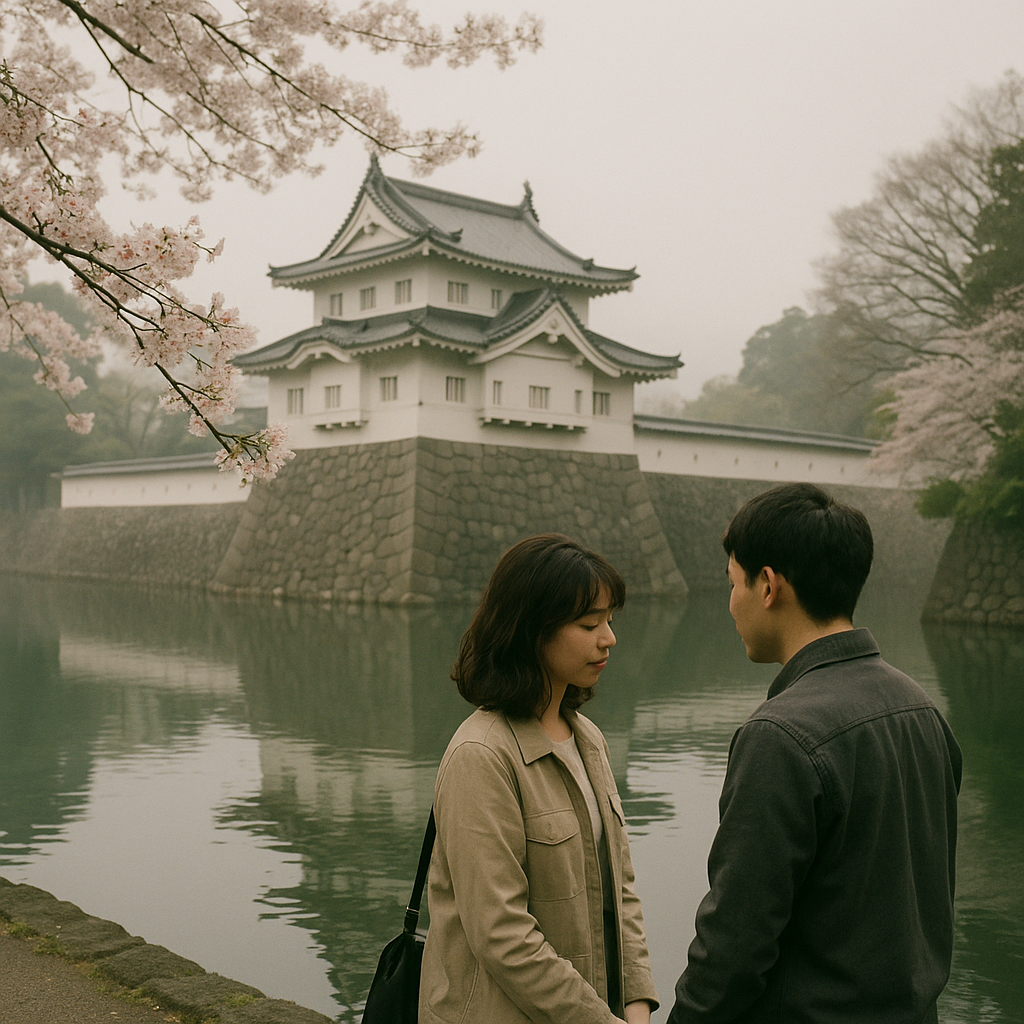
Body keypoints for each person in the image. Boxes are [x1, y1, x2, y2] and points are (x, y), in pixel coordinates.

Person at [668, 483, 962, 1024]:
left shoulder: (780, 735)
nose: (729, 601)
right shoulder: (923, 711)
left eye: (732, 583)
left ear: (768, 586)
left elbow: (734, 946)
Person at [420, 534, 659, 1024]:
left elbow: (622, 893)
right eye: (589, 623)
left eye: (610, 621)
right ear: (532, 630)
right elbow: (501, 934)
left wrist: (636, 1005)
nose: (608, 637)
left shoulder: (588, 739)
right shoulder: (481, 755)